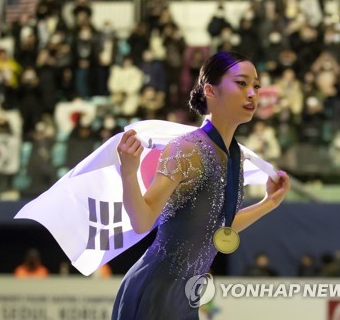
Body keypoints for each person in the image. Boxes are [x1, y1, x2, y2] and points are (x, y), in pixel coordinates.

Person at [112, 50, 291, 319]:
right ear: (210, 90)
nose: (253, 93)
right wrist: (128, 173)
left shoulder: (235, 155)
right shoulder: (186, 149)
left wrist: (269, 203)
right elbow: (142, 221)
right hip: (155, 291)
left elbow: (218, 229)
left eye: (256, 85)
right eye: (242, 83)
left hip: (187, 295)